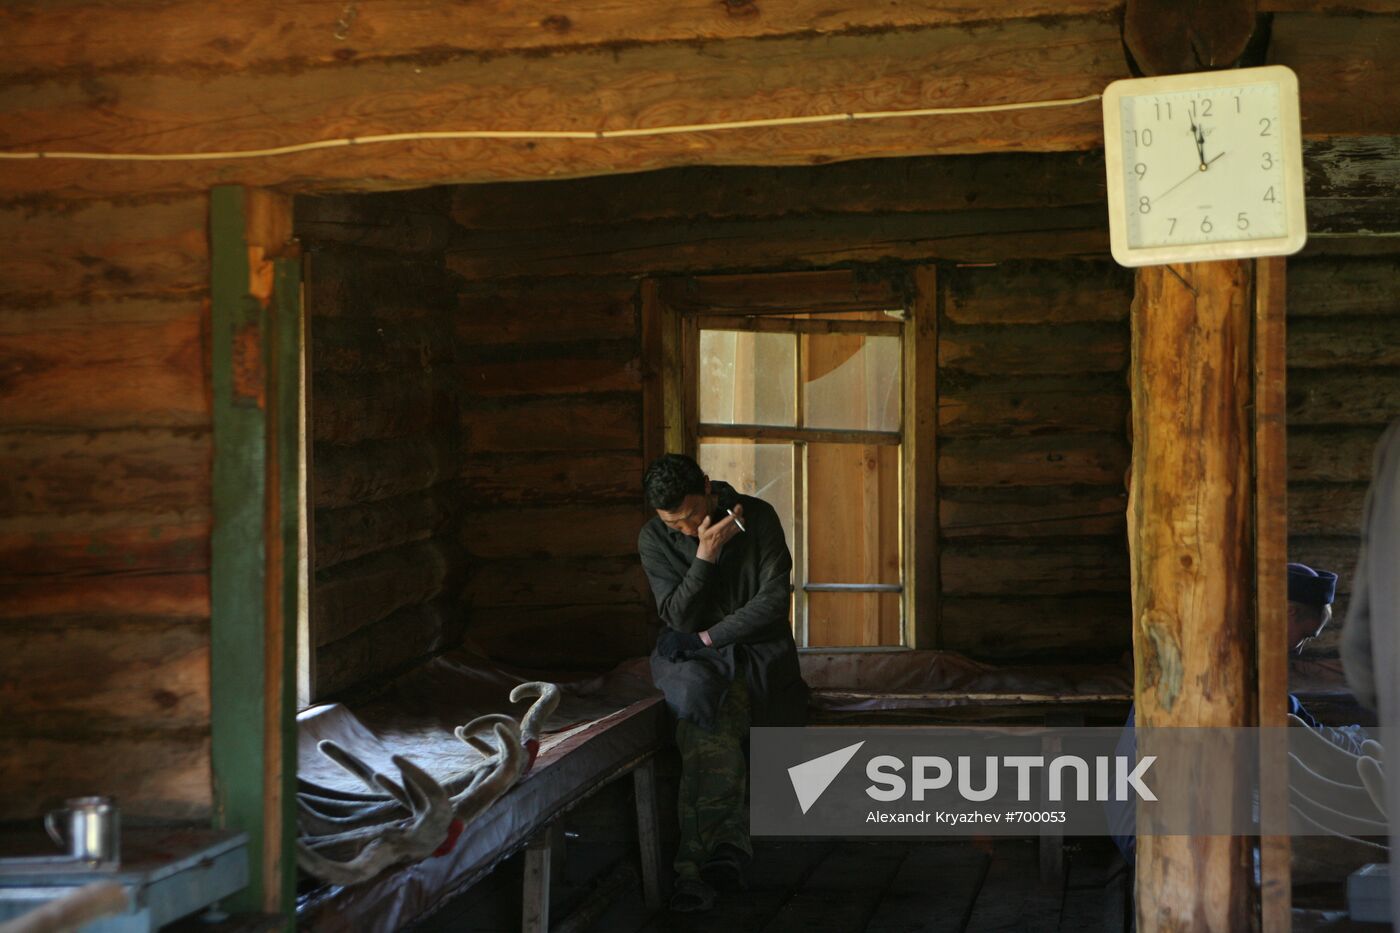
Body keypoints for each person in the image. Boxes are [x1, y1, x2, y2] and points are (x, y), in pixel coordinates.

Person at [637, 453, 809, 913]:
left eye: (693, 516)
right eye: (675, 524)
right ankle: (718, 857)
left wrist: (710, 636)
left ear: (709, 488)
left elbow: (773, 601)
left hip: (754, 651)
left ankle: (706, 863)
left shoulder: (759, 517)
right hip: (692, 660)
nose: (687, 529)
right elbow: (677, 615)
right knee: (704, 717)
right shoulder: (654, 538)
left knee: (745, 711)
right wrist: (705, 555)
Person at [1107, 561, 1349, 863]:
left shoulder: (1232, 645)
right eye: (1306, 635)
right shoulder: (1221, 659)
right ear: (1288, 613)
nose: (1299, 648)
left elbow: (1292, 717)